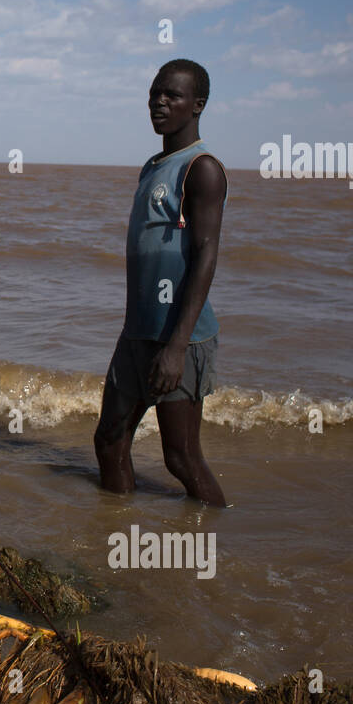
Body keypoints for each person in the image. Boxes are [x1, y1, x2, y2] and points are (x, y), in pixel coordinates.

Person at [94, 59, 227, 506]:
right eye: (155, 93)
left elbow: (206, 255)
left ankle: (218, 528)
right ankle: (114, 534)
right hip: (137, 335)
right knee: (109, 443)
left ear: (198, 105)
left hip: (179, 340)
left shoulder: (202, 168)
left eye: (172, 95)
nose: (160, 102)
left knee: (181, 458)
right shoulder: (153, 165)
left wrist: (175, 347)